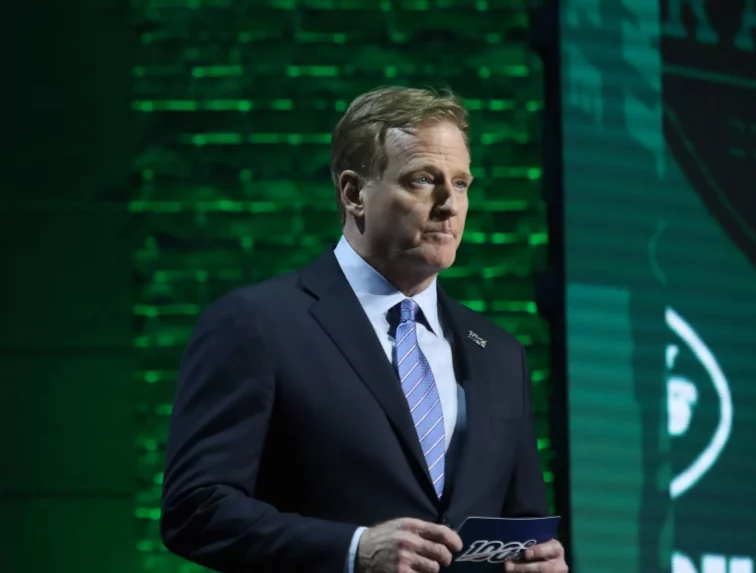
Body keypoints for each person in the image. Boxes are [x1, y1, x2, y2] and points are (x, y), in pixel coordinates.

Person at [160, 85, 568, 573]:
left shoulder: (499, 352)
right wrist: (353, 550)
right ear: (354, 193)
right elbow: (196, 508)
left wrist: (537, 562)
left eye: (461, 184)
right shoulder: (258, 325)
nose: (449, 204)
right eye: (422, 180)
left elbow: (520, 524)